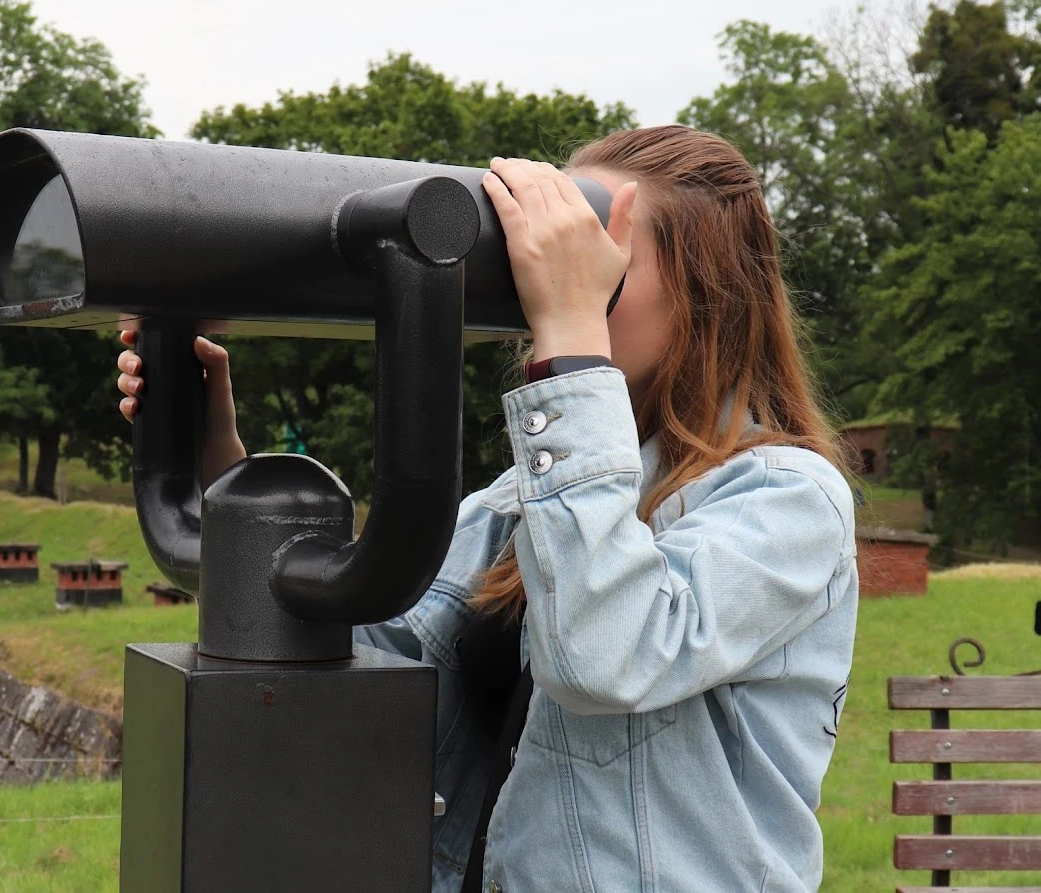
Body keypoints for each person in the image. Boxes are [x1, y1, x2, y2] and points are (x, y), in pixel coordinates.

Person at [115, 125, 857, 893]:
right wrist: (219, 457)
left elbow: (608, 656)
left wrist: (571, 336)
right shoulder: (530, 495)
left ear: (707, 289)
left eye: (599, 261)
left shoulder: (786, 496)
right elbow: (361, 638)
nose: (555, 279)